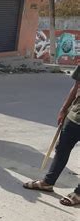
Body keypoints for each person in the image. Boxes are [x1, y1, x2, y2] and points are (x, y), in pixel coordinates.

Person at [23, 65, 80, 206]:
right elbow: (76, 86)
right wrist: (63, 109)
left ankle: (79, 193)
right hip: (74, 116)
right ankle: (48, 183)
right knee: (61, 150)